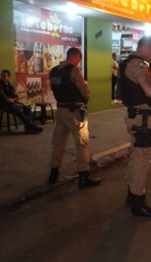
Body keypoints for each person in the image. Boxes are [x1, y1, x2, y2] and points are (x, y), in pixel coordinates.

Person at [117, 35, 151, 217]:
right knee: (142, 159)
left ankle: (131, 194)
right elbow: (149, 91)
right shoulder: (138, 64)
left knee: (136, 156)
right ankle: (138, 202)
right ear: (147, 47)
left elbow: (143, 88)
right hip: (141, 119)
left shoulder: (132, 63)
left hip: (136, 117)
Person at [48, 47, 101, 188]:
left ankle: (53, 174)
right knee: (82, 143)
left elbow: (55, 89)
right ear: (77, 57)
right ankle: (83, 177)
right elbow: (84, 91)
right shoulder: (74, 70)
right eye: (79, 60)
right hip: (74, 112)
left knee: (58, 143)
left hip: (60, 111)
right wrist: (86, 94)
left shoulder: (54, 71)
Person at [0, 70, 43, 134]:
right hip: (3, 104)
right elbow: (1, 95)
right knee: (18, 111)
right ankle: (33, 126)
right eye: (2, 75)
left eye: (4, 75)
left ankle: (28, 129)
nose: (2, 76)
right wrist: (8, 99)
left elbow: (16, 96)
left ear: (8, 76)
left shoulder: (10, 85)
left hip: (12, 103)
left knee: (27, 108)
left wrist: (13, 100)